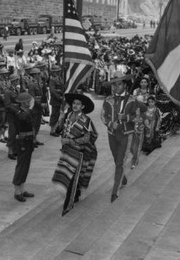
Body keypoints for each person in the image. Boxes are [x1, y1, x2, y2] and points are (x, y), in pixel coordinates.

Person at [101, 72, 146, 203]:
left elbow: (139, 117)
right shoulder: (108, 99)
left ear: (125, 85)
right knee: (116, 159)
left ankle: (115, 190)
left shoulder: (132, 100)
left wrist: (126, 118)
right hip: (112, 134)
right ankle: (123, 178)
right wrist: (110, 123)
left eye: (119, 84)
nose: (116, 87)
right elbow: (103, 116)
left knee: (120, 161)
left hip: (126, 135)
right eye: (114, 85)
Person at [52, 92, 98, 215]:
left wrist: (71, 141)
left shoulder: (86, 120)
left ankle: (68, 204)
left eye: (78, 104)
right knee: (67, 173)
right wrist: (60, 118)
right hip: (66, 151)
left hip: (79, 152)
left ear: (83, 107)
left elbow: (88, 138)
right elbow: (58, 130)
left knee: (73, 177)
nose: (75, 105)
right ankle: (76, 193)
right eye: (74, 103)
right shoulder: (68, 116)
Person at [10, 92, 35, 202]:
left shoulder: (25, 111)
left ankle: (22, 189)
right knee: (21, 166)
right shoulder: (19, 112)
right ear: (24, 102)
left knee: (26, 166)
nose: (30, 102)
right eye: (28, 101)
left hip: (28, 141)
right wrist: (31, 108)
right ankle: (17, 191)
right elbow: (24, 117)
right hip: (22, 142)